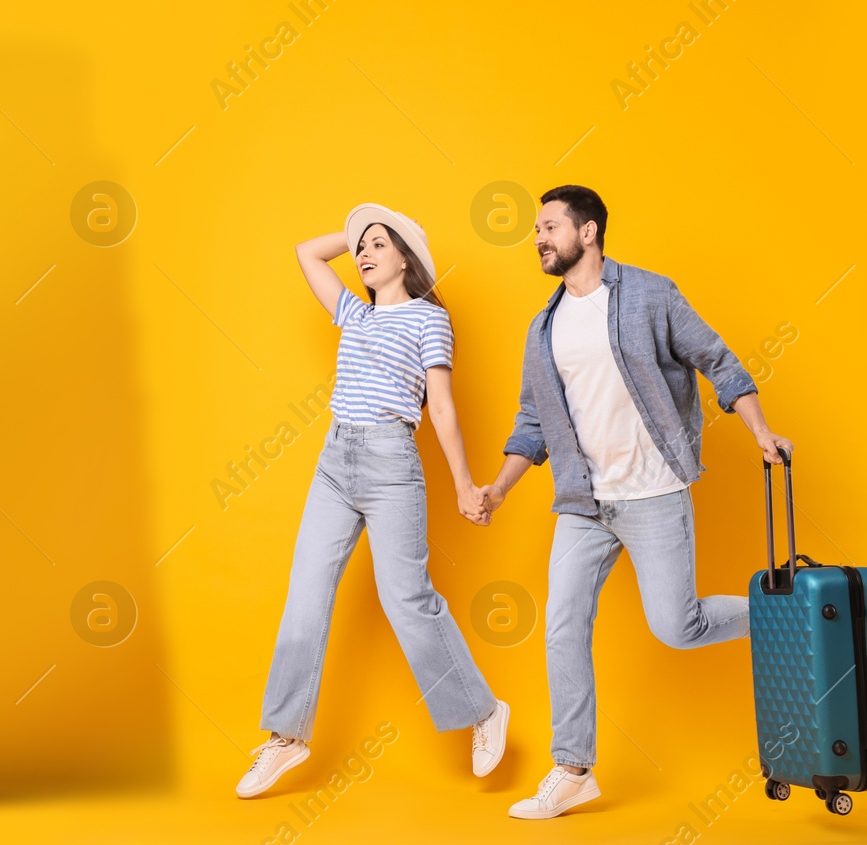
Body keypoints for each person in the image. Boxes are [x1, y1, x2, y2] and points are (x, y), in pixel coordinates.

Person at [478, 185, 793, 820]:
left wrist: (760, 431)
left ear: (587, 232)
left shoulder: (651, 294)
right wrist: (499, 487)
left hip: (653, 492)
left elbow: (720, 361)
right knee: (563, 626)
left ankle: (780, 613)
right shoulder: (544, 328)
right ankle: (573, 769)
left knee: (677, 628)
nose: (537, 238)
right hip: (583, 501)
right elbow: (532, 422)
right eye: (536, 230)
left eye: (548, 227)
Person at [237, 204, 510, 799]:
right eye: (362, 247)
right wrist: (360, 223)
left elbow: (441, 407)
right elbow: (307, 252)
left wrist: (465, 483)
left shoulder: (428, 321)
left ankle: (485, 711)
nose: (363, 253)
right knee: (306, 591)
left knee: (405, 598)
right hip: (335, 461)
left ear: (406, 259)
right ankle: (287, 736)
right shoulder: (353, 313)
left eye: (379, 245)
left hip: (391, 465)